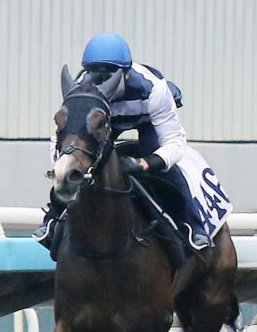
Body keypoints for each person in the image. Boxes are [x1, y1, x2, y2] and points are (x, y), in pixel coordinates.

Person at [36, 33, 232, 255]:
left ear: (126, 76)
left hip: (146, 119)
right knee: (76, 164)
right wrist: (65, 164)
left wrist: (145, 164)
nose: (99, 82)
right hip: (101, 120)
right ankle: (52, 220)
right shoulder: (81, 89)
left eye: (107, 76)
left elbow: (176, 142)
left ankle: (192, 226)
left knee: (164, 166)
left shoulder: (154, 89)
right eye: (94, 75)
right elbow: (61, 136)